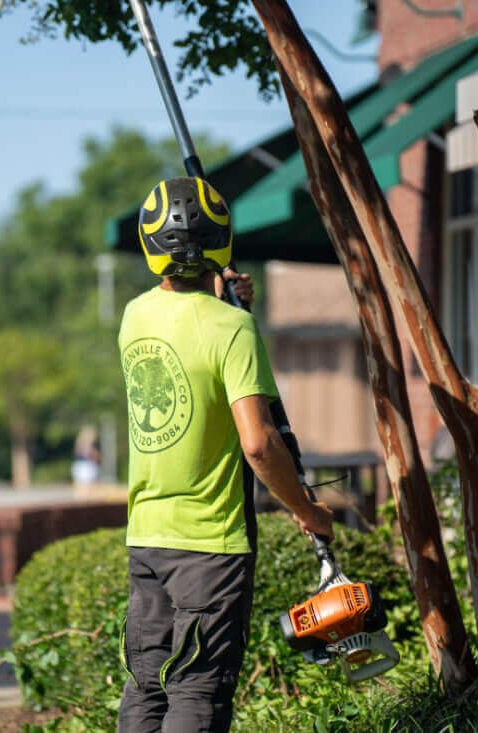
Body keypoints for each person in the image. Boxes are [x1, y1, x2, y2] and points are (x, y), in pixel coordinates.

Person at [117, 176, 334, 732]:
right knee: (198, 692)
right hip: (209, 546)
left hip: (147, 534)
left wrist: (227, 306)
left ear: (150, 244)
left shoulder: (134, 317)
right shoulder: (232, 329)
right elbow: (258, 444)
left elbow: (189, 333)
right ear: (221, 241)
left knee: (147, 686)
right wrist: (306, 510)